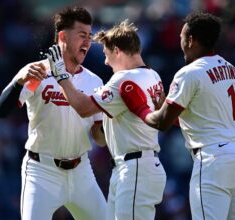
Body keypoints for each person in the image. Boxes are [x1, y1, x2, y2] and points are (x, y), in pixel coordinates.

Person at [121, 13, 235, 220]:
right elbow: (201, 120)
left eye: (182, 37)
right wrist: (165, 107)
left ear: (191, 40)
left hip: (214, 160)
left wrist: (141, 108)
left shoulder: (189, 73)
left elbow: (161, 123)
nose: (180, 42)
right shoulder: (232, 69)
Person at [45, 20, 166, 220]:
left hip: (135, 169)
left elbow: (83, 108)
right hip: (136, 166)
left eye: (107, 55)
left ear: (117, 50)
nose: (106, 62)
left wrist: (61, 76)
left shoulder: (123, 80)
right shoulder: (153, 75)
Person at [0, 6, 107, 220]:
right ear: (63, 36)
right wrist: (19, 82)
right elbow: (2, 111)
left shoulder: (94, 81)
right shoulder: (37, 72)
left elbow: (99, 139)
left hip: (81, 171)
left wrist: (107, 129)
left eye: (90, 36)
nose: (87, 42)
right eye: (82, 35)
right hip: (42, 171)